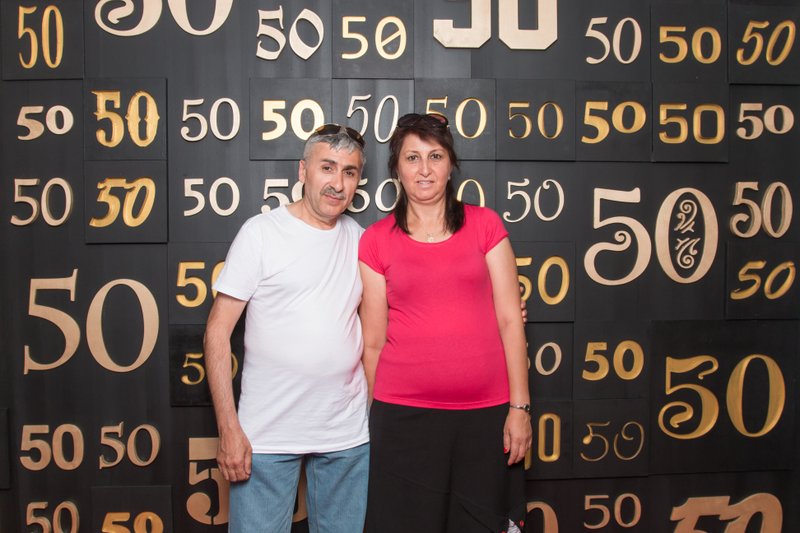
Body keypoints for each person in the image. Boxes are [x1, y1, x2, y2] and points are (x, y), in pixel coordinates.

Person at [359, 113, 532, 533]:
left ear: (451, 164)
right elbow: (374, 342)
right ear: (396, 169)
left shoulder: (486, 225)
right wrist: (376, 417)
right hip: (403, 418)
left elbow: (511, 320)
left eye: (435, 156)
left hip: (485, 416)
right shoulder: (376, 239)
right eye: (412, 157)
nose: (424, 169)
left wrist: (520, 408)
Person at [203, 124, 370, 533]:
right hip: (266, 435)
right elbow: (217, 333)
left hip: (345, 435)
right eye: (327, 167)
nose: (337, 183)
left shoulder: (360, 240)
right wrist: (228, 428)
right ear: (302, 171)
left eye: (349, 172)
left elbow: (401, 314)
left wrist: (501, 306)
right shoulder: (261, 234)